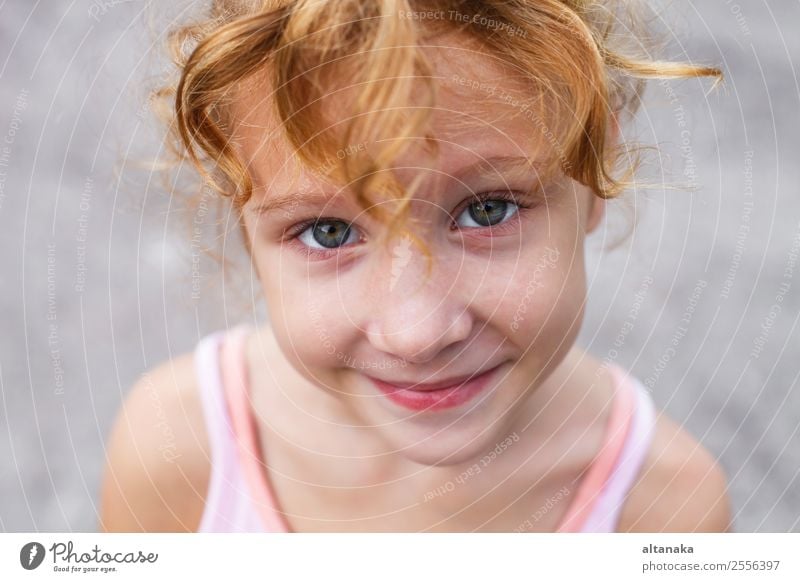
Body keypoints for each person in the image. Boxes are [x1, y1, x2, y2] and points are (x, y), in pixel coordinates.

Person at [99, 0, 731, 532]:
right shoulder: (181, 452)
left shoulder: (663, 511)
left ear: (592, 173)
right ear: (242, 217)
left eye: (487, 210)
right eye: (330, 231)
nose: (418, 334)